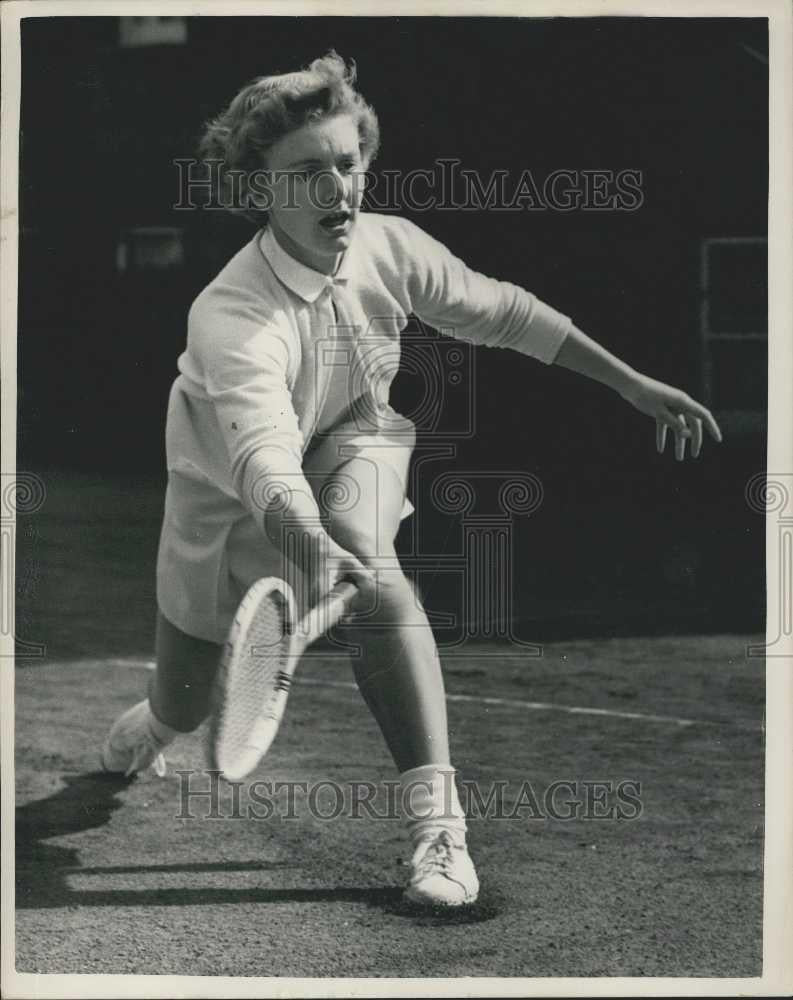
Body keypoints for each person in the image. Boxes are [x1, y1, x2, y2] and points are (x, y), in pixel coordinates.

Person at [101, 51, 721, 907]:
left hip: (357, 434)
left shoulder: (388, 246)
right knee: (184, 701)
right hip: (226, 500)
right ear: (258, 188)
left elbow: (502, 310)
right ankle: (155, 723)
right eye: (307, 172)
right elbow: (265, 459)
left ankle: (438, 835)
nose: (337, 189)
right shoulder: (231, 316)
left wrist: (631, 382)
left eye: (347, 164)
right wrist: (307, 540)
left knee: (379, 577)